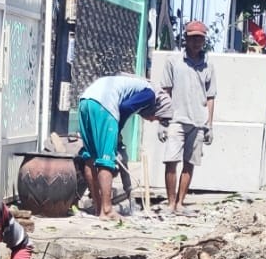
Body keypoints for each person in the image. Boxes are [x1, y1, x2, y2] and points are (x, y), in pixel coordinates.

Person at [75, 75, 173, 218]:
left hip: (86, 101)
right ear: (158, 108)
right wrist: (117, 132)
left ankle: (99, 208)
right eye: (157, 118)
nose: (152, 121)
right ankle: (107, 210)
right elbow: (125, 108)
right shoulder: (150, 95)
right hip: (105, 105)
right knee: (106, 160)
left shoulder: (137, 86)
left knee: (90, 156)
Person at [157, 21, 216, 216]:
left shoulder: (208, 65)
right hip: (176, 119)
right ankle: (170, 203)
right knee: (171, 161)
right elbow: (165, 91)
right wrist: (162, 121)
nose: (196, 42)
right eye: (193, 38)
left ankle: (181, 203)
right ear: (186, 39)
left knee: (189, 162)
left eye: (200, 38)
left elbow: (210, 96)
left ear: (204, 40)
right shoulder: (173, 61)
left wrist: (210, 124)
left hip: (198, 121)